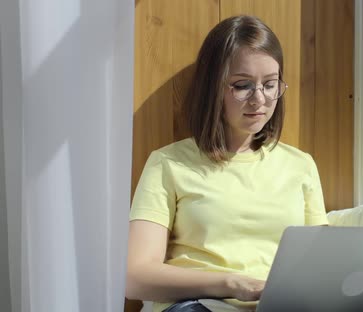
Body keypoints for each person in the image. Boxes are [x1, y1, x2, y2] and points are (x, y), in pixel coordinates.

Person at [125, 15, 329, 312]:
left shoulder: (301, 166)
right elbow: (135, 277)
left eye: (270, 85)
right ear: (214, 87)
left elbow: (321, 264)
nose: (259, 99)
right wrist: (232, 284)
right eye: (242, 85)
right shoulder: (168, 163)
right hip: (198, 305)